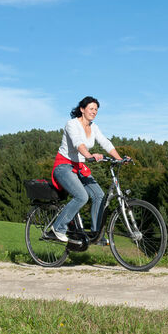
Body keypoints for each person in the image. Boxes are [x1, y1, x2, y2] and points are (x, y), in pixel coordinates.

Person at [50, 96, 125, 244]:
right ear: (82, 109)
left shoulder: (94, 127)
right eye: (91, 108)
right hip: (64, 166)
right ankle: (58, 227)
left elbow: (105, 142)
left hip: (79, 167)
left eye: (96, 109)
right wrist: (89, 156)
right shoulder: (72, 124)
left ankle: (96, 235)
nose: (94, 111)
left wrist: (120, 159)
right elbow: (78, 143)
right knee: (82, 197)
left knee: (99, 195)